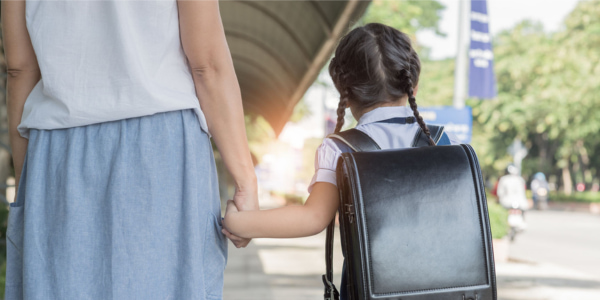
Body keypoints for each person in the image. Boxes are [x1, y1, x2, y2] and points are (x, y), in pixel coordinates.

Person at [1, 0, 257, 299]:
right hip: (163, 150)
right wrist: (245, 182)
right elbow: (207, 64)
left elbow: (19, 69)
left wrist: (26, 187)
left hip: (58, 148)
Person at [222, 23, 460, 299]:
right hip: (445, 286)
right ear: (413, 85)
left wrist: (239, 223)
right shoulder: (443, 140)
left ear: (343, 91)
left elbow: (312, 218)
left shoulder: (340, 148)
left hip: (371, 289)